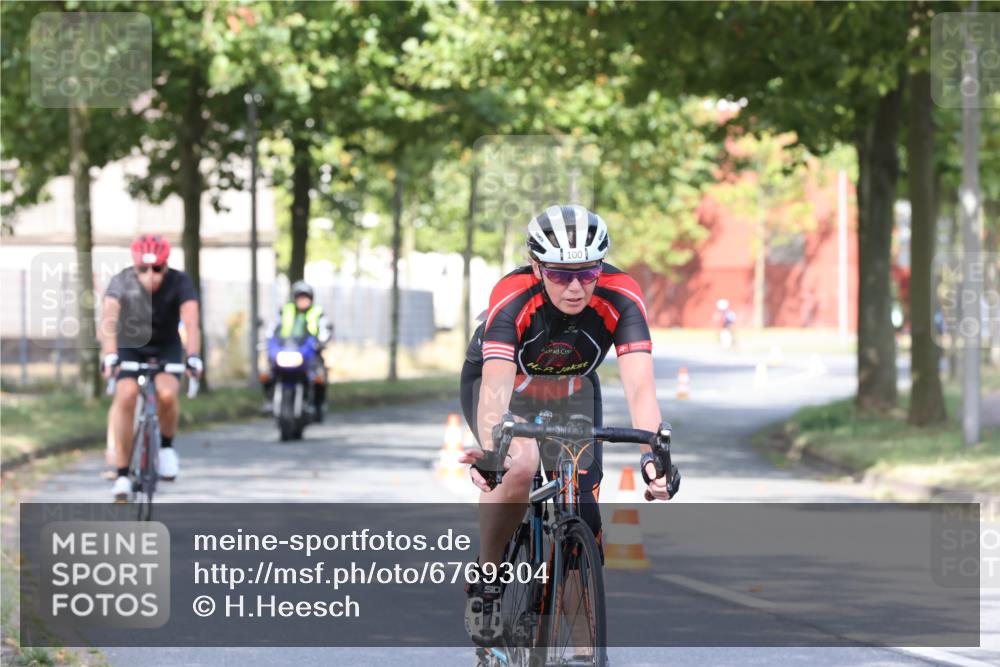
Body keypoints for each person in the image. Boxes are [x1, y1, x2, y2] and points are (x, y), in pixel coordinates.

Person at [457, 204, 675, 648]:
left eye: (587, 271)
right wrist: (494, 451)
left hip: (572, 390)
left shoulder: (621, 296)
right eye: (559, 274)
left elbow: (640, 390)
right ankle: (489, 577)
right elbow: (495, 390)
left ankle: (580, 651)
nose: (575, 287)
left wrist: (653, 457)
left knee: (585, 515)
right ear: (537, 267)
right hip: (504, 388)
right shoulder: (513, 295)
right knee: (520, 465)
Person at [99, 234, 203, 501]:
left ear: (166, 266)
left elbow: (191, 324)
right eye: (143, 269)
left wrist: (193, 356)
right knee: (126, 396)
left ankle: (167, 448)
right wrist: (110, 355)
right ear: (134, 267)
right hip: (130, 346)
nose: (150, 276)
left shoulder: (180, 282)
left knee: (167, 393)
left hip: (165, 346)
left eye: (157, 269)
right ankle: (122, 474)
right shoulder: (122, 281)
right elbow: (109, 320)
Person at [263, 280, 333, 422]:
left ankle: (317, 405)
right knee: (268, 374)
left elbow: (325, 329)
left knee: (319, 376)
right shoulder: (285, 311)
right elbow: (272, 329)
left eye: (305, 297)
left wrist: (321, 341)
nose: (302, 300)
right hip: (287, 350)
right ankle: (270, 401)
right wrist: (268, 340)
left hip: (309, 352)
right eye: (299, 297)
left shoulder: (317, 312)